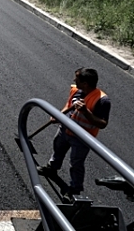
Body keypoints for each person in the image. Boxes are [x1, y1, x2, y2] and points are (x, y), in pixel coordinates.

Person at [37, 68, 110, 201]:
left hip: (82, 137)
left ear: (85, 83)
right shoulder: (76, 90)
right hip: (65, 129)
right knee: (57, 148)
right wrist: (59, 115)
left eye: (77, 78)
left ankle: (75, 189)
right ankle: (52, 168)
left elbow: (103, 123)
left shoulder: (102, 100)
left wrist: (86, 112)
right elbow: (69, 105)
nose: (73, 80)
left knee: (76, 163)